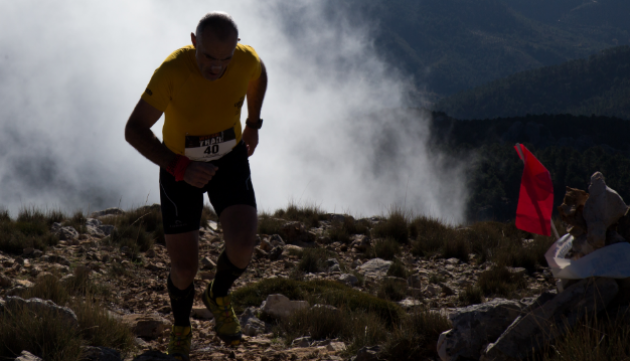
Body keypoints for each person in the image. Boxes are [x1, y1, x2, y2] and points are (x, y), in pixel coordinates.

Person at [125, 11, 267, 360]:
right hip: (179, 167)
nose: (217, 67)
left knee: (243, 246)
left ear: (236, 49)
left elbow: (258, 74)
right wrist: (179, 166)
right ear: (193, 42)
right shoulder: (172, 71)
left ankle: (218, 295)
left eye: (225, 59)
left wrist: (253, 123)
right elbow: (134, 129)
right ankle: (181, 327)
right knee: (185, 268)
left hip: (229, 158)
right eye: (207, 57)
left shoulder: (245, 59)